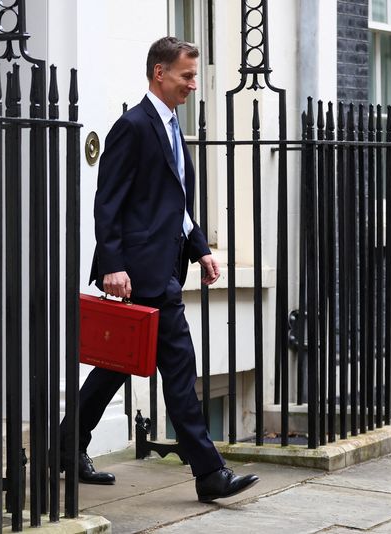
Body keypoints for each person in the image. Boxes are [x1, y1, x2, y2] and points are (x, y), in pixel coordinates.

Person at [60, 36, 259, 502]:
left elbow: (176, 203)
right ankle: (209, 472)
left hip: (164, 267)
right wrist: (112, 264)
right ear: (159, 73)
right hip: (141, 272)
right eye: (187, 75)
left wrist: (200, 247)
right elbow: (107, 202)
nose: (193, 84)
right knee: (178, 366)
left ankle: (65, 447)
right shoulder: (133, 126)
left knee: (115, 366)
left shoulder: (170, 126)